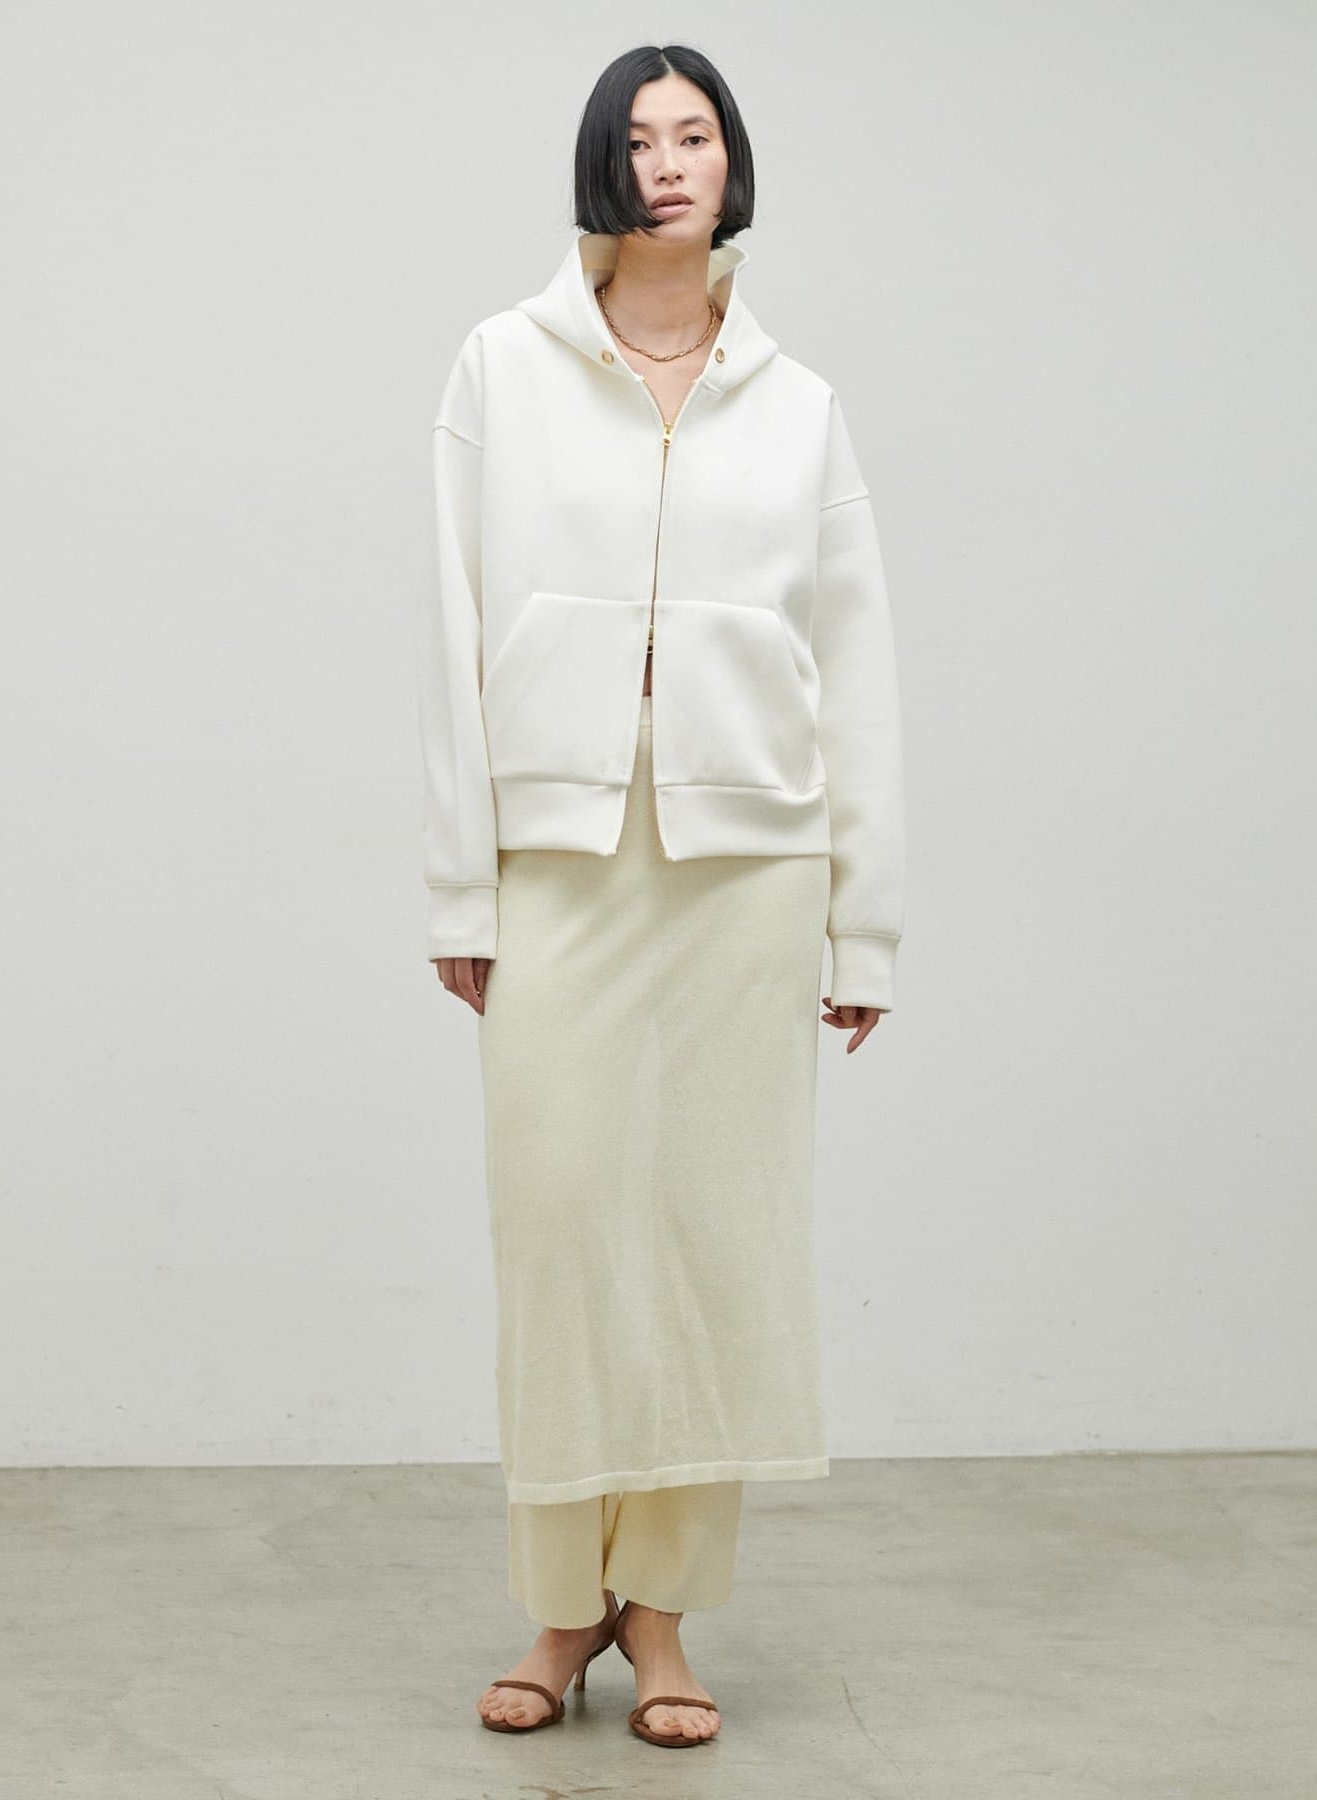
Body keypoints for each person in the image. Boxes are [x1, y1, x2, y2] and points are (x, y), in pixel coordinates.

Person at [415, 42, 906, 1749]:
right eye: (639, 139)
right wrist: (461, 888)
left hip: (749, 872)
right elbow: (448, 627)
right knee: (561, 1232)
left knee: (710, 1239)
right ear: (601, 169)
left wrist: (865, 919)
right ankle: (563, 1608)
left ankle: (666, 1617)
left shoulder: (800, 403)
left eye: (697, 135)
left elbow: (857, 669)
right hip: (559, 862)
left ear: (733, 165)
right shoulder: (502, 366)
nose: (670, 162)